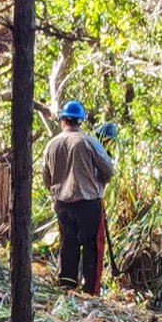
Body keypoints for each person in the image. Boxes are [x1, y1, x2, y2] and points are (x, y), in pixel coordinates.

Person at [42, 100, 115, 295]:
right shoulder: (89, 142)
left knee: (68, 244)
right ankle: (90, 291)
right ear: (80, 121)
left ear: (62, 120)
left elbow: (46, 178)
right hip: (88, 203)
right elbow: (108, 171)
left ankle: (67, 286)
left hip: (63, 204)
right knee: (92, 247)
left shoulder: (51, 145)